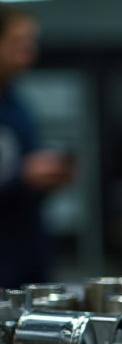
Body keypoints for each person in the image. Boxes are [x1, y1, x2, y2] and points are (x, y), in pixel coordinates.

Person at [0, 7, 73, 288]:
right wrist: (20, 178)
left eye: (31, 42)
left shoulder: (18, 106)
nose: (29, 51)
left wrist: (42, 178)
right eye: (18, 42)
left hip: (26, 258)